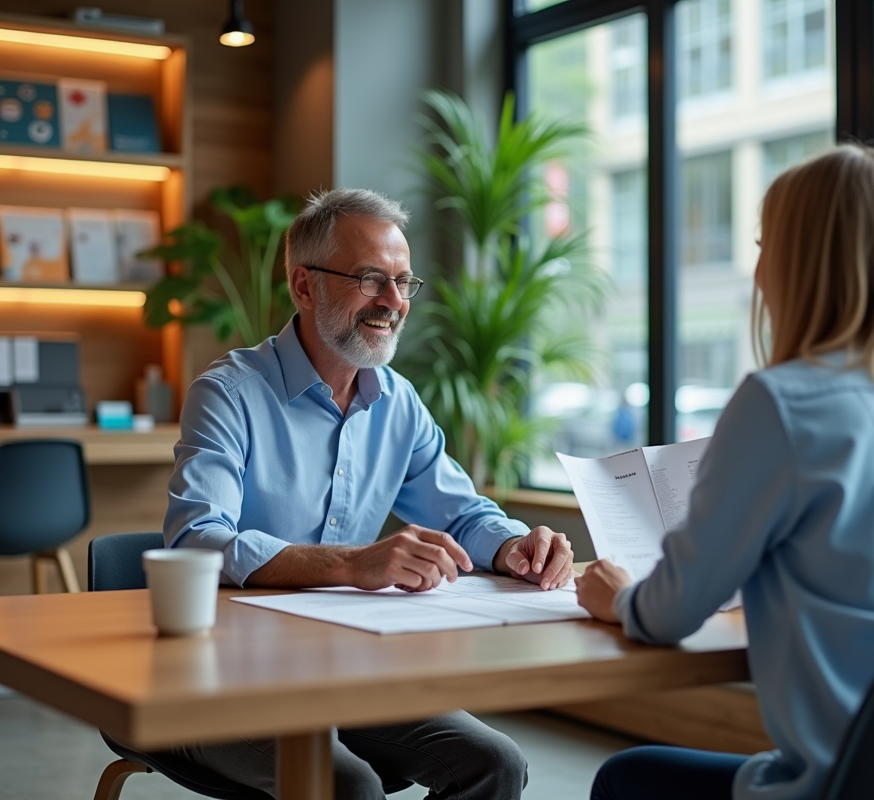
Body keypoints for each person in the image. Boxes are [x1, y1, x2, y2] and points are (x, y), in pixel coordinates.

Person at [575, 145, 874, 800]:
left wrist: (618, 598)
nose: (757, 272)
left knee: (626, 779)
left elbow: (670, 612)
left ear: (799, 261)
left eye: (764, 245)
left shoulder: (781, 404)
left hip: (855, 785)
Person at [163, 187, 576, 799]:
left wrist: (515, 545)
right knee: (345, 785)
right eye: (369, 279)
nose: (393, 302)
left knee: (494, 763)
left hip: (348, 672)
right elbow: (198, 542)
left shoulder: (397, 401)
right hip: (223, 678)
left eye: (403, 282)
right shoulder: (228, 394)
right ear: (304, 287)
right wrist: (354, 564)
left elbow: (462, 513)